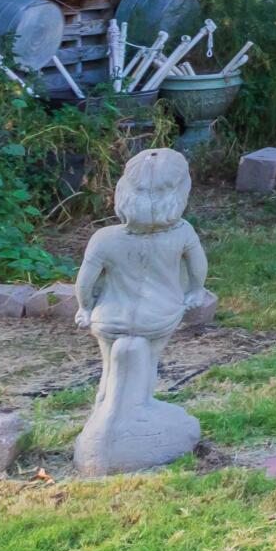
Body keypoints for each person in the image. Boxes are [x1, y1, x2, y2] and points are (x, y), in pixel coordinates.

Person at [71, 147, 211, 475]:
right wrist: (195, 291)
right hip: (158, 316)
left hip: (109, 317)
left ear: (123, 192)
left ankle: (103, 412)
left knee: (110, 366)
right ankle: (140, 406)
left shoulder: (105, 238)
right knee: (146, 362)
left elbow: (85, 280)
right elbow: (198, 268)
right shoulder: (182, 233)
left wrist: (84, 307)